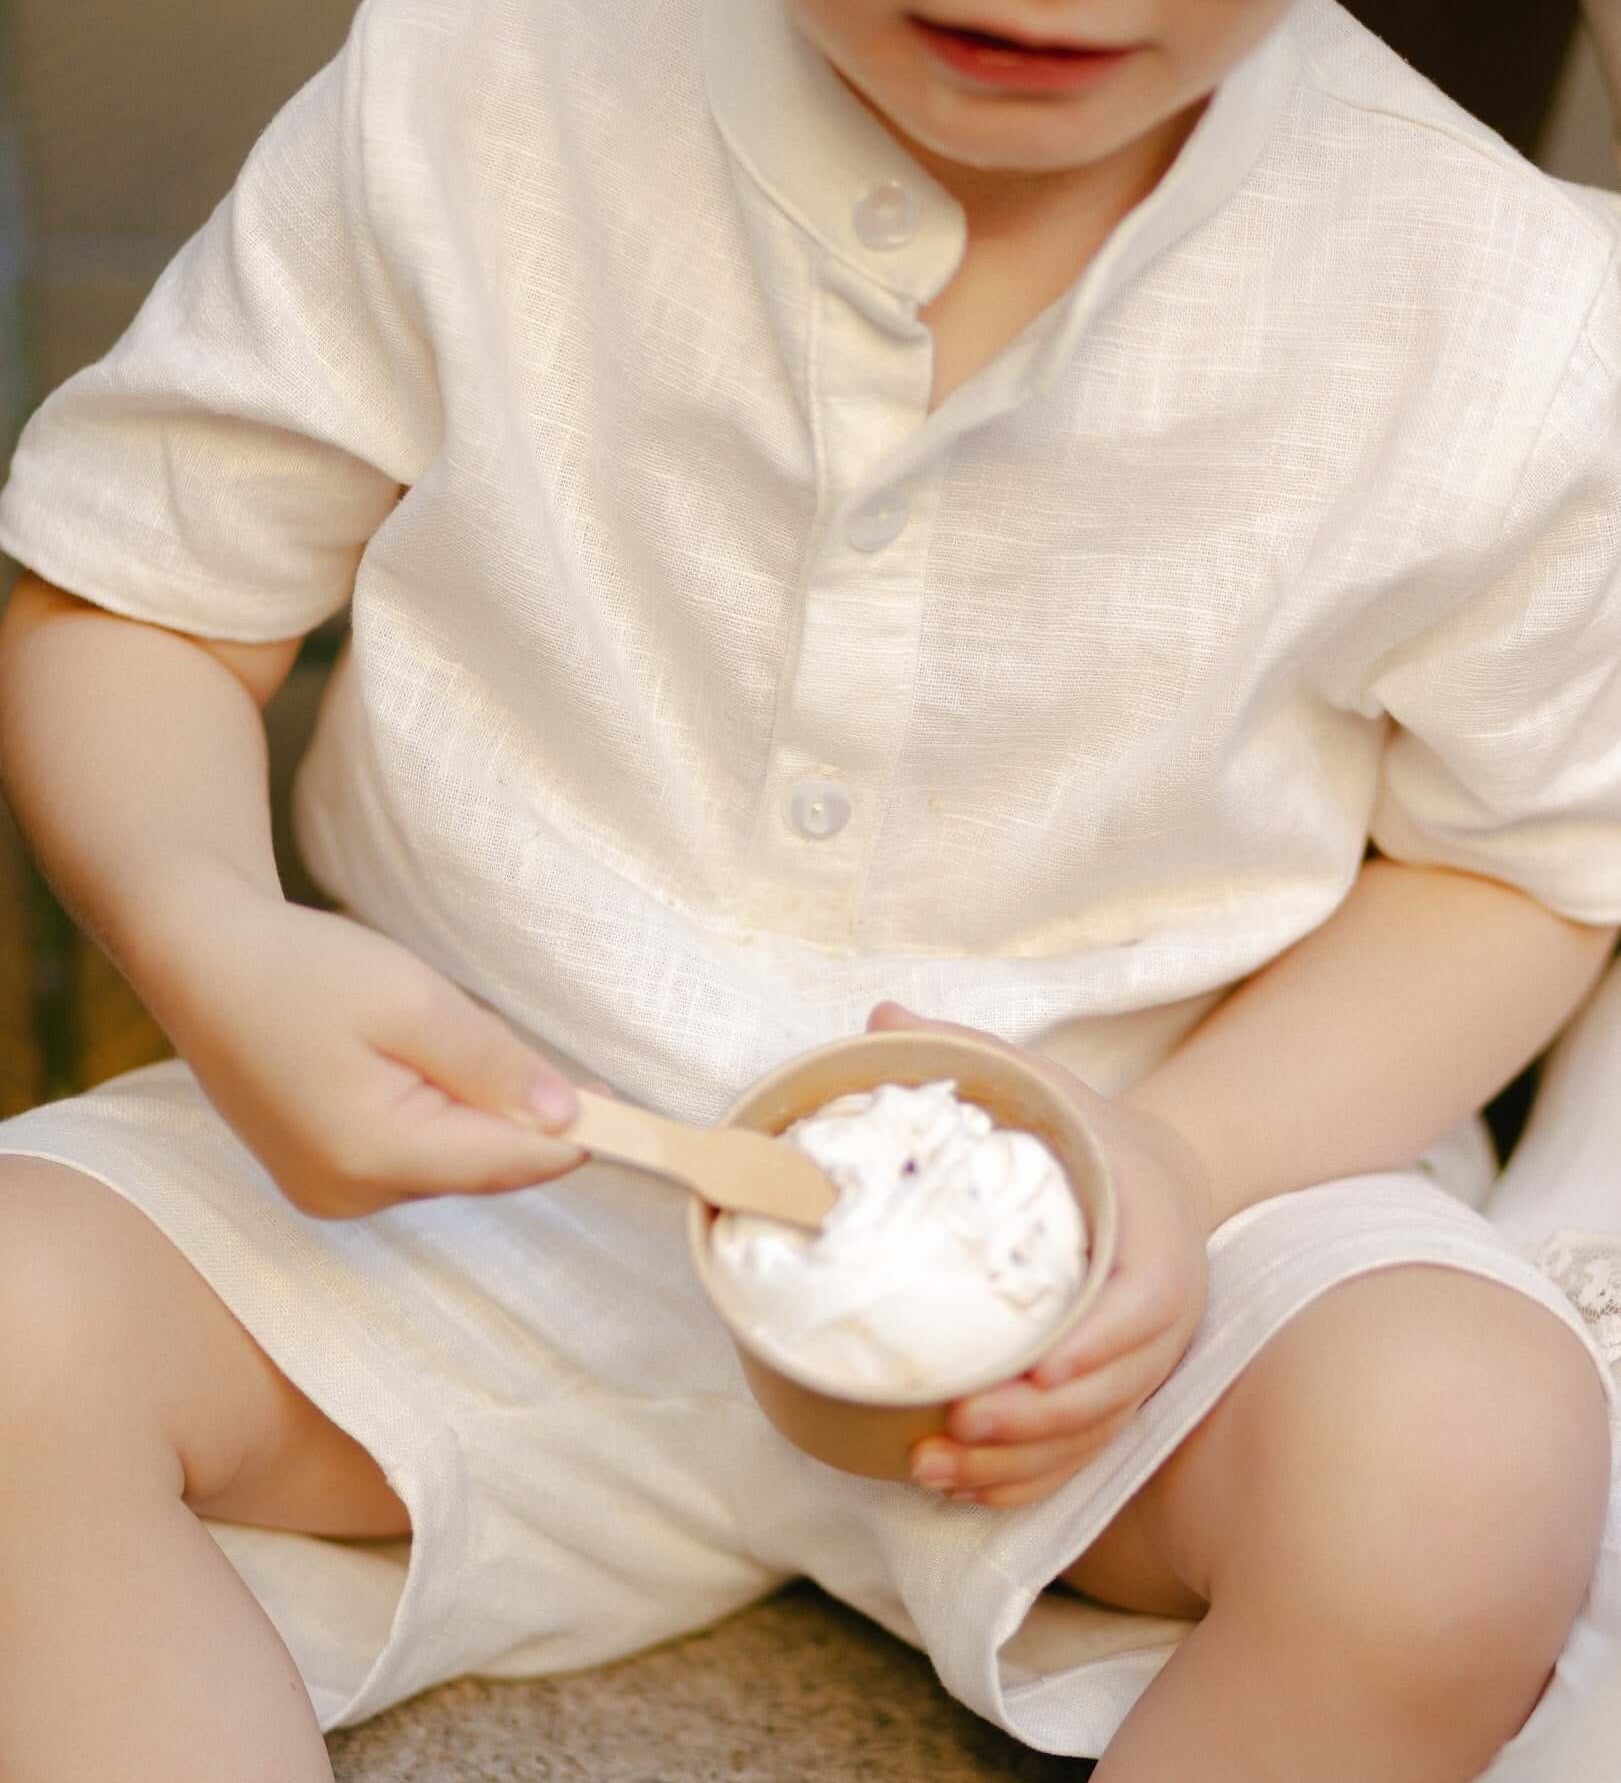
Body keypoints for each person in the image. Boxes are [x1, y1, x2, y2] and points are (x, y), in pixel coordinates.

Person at [0, 1, 1617, 1777]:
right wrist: (210, 929)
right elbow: (139, 591)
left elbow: (1519, 868)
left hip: (1156, 1239)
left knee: (1461, 1459)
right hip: (458, 1191)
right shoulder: (473, 76)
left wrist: (1185, 1161)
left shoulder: (1514, 303)